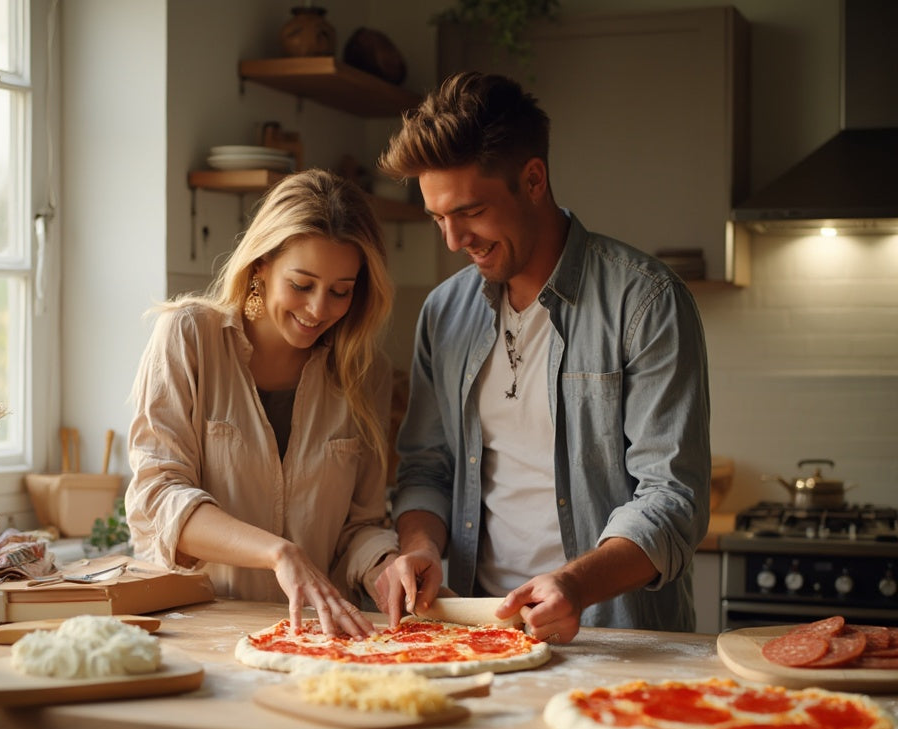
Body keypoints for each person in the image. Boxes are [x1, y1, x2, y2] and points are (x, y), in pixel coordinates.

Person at [373, 72, 711, 643]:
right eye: (438, 218)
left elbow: (672, 499)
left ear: (533, 180)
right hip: (473, 634)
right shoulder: (443, 313)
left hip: (614, 640)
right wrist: (420, 547)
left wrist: (574, 586)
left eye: (470, 211)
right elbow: (426, 469)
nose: (453, 240)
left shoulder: (646, 301)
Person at [126, 169, 398, 638]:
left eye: (340, 291)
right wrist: (278, 552)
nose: (318, 310)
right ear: (261, 267)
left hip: (319, 637)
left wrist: (387, 568)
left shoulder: (364, 372)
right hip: (200, 630)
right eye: (301, 284)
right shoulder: (189, 336)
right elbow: (159, 498)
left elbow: (360, 527)